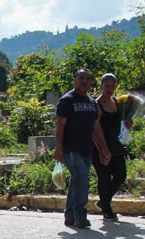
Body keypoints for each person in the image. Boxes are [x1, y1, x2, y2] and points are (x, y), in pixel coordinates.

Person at [54, 69, 111, 228]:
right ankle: (80, 216)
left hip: (87, 149)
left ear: (91, 82)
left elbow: (96, 128)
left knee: (77, 181)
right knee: (83, 180)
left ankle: (69, 215)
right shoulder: (67, 100)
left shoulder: (92, 103)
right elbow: (60, 126)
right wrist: (58, 147)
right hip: (70, 149)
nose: (84, 81)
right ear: (75, 80)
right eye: (81, 78)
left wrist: (103, 149)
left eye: (88, 79)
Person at [92, 73, 132, 221]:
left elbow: (121, 124)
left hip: (116, 145)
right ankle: (107, 210)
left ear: (116, 86)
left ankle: (103, 201)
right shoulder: (96, 104)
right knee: (104, 176)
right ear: (101, 86)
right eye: (106, 85)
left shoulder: (117, 103)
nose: (109, 88)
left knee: (121, 175)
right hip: (100, 144)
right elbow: (96, 128)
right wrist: (103, 149)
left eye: (112, 85)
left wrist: (128, 126)